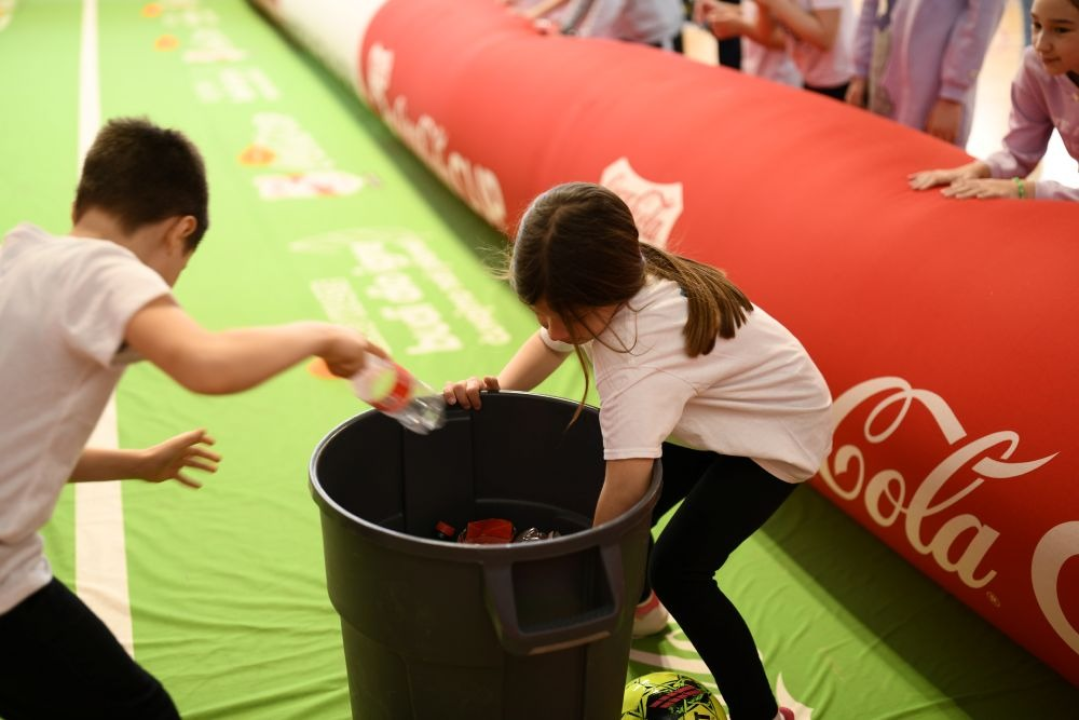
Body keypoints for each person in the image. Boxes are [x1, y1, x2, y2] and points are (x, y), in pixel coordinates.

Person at [0, 117, 380, 719]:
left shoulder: (20, 253)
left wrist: (137, 463)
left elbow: (16, 446)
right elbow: (207, 363)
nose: (170, 287)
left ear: (82, 200)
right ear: (181, 231)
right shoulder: (104, 269)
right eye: (181, 267)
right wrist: (323, 335)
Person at [443, 182, 833, 720]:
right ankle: (643, 606)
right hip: (724, 411)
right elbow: (554, 341)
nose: (557, 331)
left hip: (774, 435)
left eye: (568, 318)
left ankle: (760, 713)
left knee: (683, 570)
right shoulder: (613, 281)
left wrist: (583, 567)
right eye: (542, 316)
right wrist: (500, 395)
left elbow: (625, 487)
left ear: (605, 288)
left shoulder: (638, 355)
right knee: (610, 504)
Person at [908, 0, 1079, 201]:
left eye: (1061, 30)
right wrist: (980, 170)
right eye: (1037, 25)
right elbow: (1019, 152)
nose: (1041, 44)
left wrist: (1025, 190)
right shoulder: (1035, 66)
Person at [845, 0, 1007, 148]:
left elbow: (982, 17)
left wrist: (952, 96)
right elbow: (870, 6)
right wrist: (860, 70)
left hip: (935, 90)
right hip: (885, 73)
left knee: (928, 159)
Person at [703, 0, 855, 99]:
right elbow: (767, 32)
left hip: (840, 78)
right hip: (808, 75)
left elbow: (825, 38)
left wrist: (774, 4)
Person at [704, 0, 803, 86]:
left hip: (780, 78)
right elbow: (754, 11)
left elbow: (789, 38)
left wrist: (740, 26)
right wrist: (727, 9)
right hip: (755, 71)